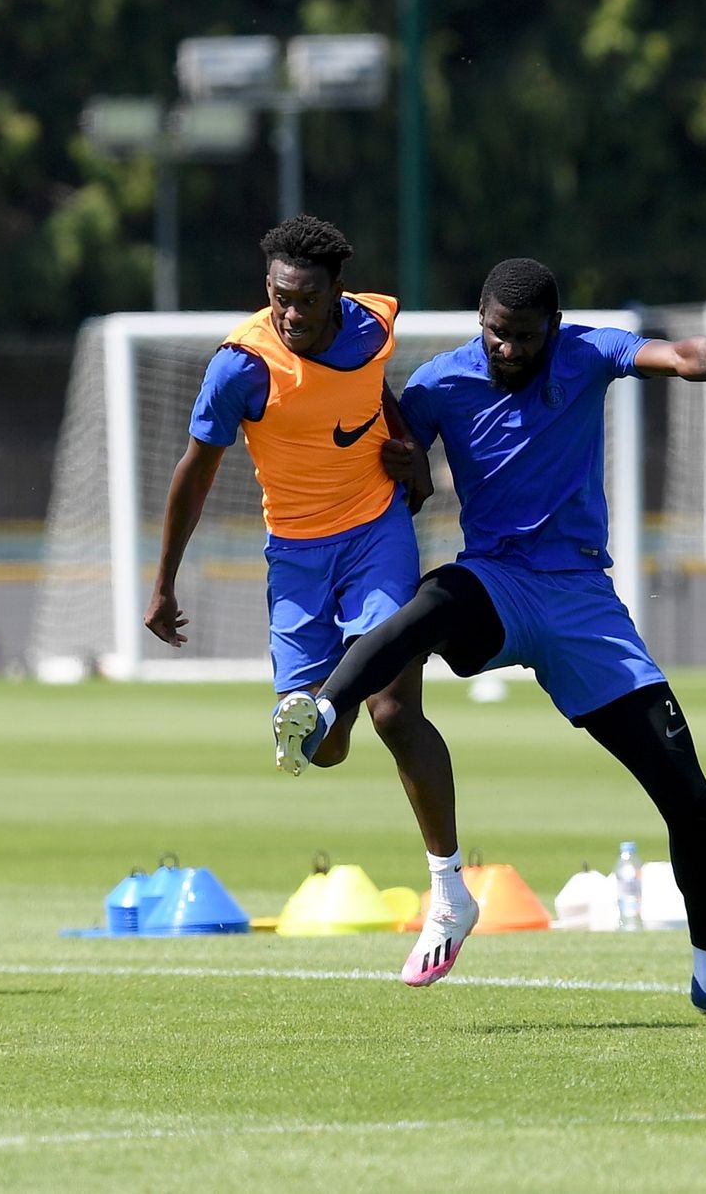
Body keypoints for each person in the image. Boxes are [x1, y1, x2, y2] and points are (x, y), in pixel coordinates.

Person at [274, 258, 706, 1023]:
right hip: (497, 582)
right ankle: (323, 711)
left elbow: (681, 357)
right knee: (431, 603)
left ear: (551, 329)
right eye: (496, 333)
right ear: (480, 323)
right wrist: (403, 467)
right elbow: (385, 461)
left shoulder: (589, 351)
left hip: (583, 604)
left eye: (524, 337)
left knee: (688, 797)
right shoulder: (436, 385)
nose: (508, 349)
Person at [143, 217, 460, 985]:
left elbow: (372, 390)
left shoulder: (371, 325)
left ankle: (448, 890)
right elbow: (194, 470)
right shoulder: (241, 368)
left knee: (393, 707)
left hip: (376, 534)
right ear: (268, 291)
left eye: (306, 298)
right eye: (280, 297)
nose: (291, 313)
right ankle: (318, 714)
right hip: (294, 557)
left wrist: (411, 457)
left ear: (335, 294)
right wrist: (163, 582)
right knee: (324, 744)